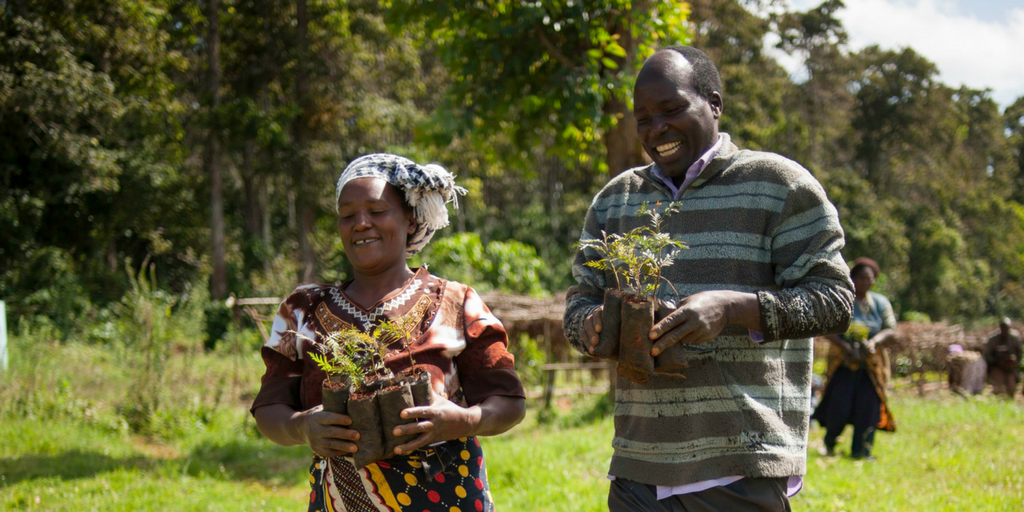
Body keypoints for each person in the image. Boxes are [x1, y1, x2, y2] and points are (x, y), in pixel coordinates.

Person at [564, 46, 854, 511]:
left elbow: (835, 300)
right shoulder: (615, 200)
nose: (656, 129)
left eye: (672, 109)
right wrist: (592, 325)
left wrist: (733, 308)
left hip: (738, 465)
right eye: (643, 118)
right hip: (640, 463)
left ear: (714, 104)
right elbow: (579, 302)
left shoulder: (778, 185)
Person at [251, 154, 526, 512]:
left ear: (410, 220)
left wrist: (461, 421)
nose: (361, 223)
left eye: (377, 211)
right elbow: (270, 409)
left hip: (447, 498)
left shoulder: (457, 302)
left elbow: (509, 403)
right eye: (347, 215)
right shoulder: (303, 309)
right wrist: (303, 427)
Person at [811, 257, 897, 460]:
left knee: (868, 408)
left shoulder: (880, 303)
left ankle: (862, 451)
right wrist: (845, 346)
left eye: (870, 278)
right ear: (853, 279)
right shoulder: (843, 300)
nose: (866, 282)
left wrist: (874, 343)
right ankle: (830, 442)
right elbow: (826, 327)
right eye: (861, 278)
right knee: (839, 407)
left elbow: (891, 330)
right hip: (844, 363)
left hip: (870, 366)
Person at [984, 317, 1022, 398]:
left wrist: (1014, 360)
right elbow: (987, 355)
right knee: (999, 389)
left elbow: (1019, 353)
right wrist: (997, 361)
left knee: (1011, 388)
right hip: (997, 367)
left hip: (1010, 367)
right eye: (1003, 327)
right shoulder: (993, 340)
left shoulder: (1014, 338)